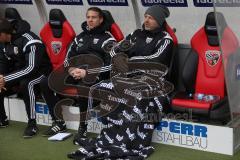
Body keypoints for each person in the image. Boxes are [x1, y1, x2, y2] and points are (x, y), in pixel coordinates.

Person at [67, 5, 174, 160]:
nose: (146, 20)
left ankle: (130, 139)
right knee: (107, 86)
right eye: (145, 16)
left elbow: (156, 60)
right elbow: (114, 50)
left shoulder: (165, 39)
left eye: (151, 17)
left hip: (153, 80)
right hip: (129, 78)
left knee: (136, 95)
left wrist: (129, 61)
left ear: (159, 20)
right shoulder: (135, 34)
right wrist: (119, 57)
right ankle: (111, 136)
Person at [63, 7, 116, 142]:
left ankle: (83, 128)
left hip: (98, 75)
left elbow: (111, 65)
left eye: (94, 17)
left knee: (84, 85)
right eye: (88, 17)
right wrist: (71, 70)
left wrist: (87, 72)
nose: (90, 20)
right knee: (46, 82)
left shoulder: (108, 39)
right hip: (76, 72)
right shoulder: (79, 37)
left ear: (101, 19)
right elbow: (67, 59)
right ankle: (57, 122)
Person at [0, 18, 52, 138]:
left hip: (42, 72)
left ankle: (32, 124)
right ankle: (2, 119)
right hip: (20, 72)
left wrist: (6, 79)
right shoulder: (3, 43)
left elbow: (31, 68)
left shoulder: (30, 40)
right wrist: (1, 77)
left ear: (3, 33)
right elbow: (3, 62)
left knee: (26, 83)